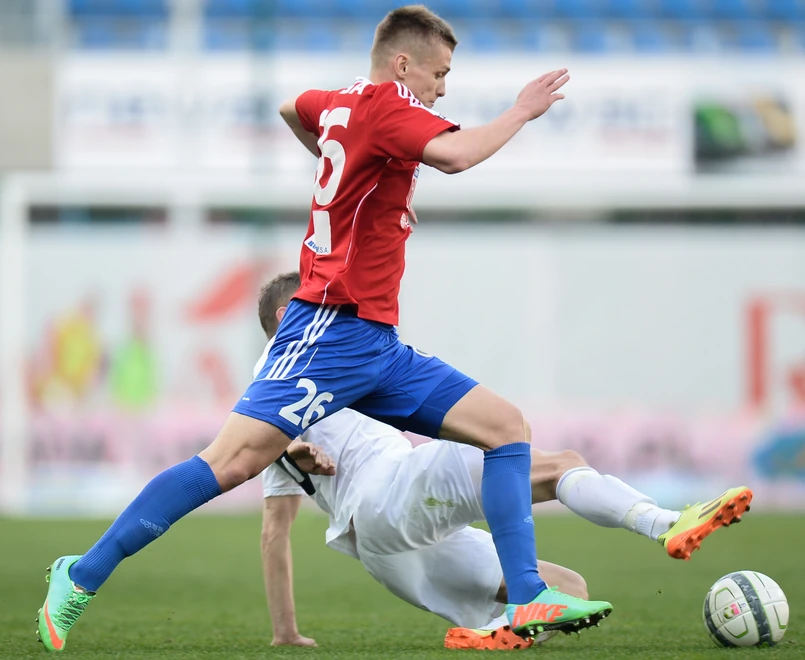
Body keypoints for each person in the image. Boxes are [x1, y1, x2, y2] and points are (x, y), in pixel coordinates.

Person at [33, 6, 743, 653]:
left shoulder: (342, 103)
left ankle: (528, 595)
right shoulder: (387, 107)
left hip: (376, 341)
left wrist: (347, 179)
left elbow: (292, 108)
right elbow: (457, 156)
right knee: (231, 464)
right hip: (326, 329)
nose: (442, 89)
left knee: (506, 428)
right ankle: (81, 572)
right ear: (402, 65)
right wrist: (522, 110)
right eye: (438, 74)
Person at [254, 273, 753, 651]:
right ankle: (665, 523)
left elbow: (274, 530)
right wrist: (291, 450)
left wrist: (285, 632)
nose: (335, 309)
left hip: (387, 549)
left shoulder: (280, 385)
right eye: (320, 302)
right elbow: (273, 443)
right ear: (287, 315)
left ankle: (498, 630)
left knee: (569, 590)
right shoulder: (289, 364)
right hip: (391, 491)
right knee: (545, 457)